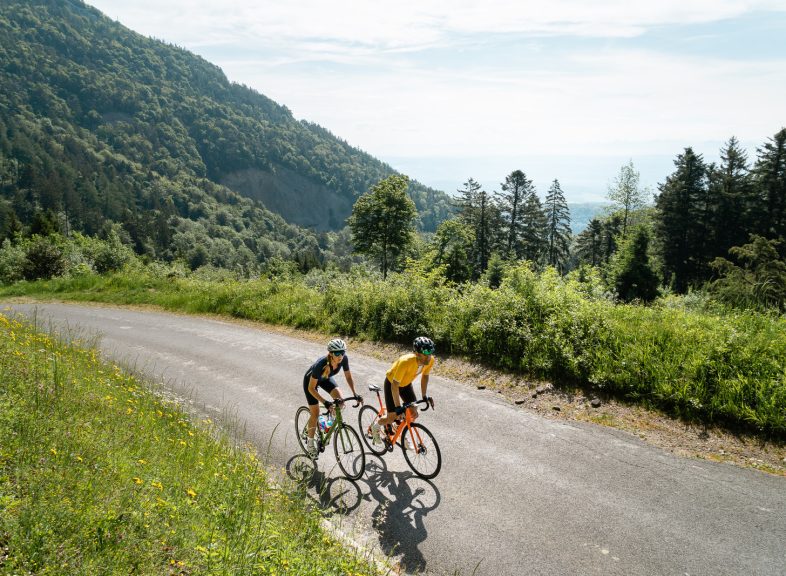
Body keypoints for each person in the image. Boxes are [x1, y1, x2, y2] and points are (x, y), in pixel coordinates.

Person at [371, 336, 435, 444]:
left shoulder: (430, 360)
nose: (429, 356)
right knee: (392, 417)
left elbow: (425, 376)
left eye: (431, 352)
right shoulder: (405, 362)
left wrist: (424, 395)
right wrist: (397, 407)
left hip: (405, 385)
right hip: (392, 384)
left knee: (414, 413)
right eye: (426, 353)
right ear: (417, 353)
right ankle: (376, 426)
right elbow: (395, 386)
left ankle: (398, 428)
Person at [302, 338, 360, 455]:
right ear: (330, 353)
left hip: (325, 379)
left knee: (341, 402)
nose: (341, 356)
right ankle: (310, 442)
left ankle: (327, 423)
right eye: (337, 353)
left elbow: (348, 377)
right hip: (311, 384)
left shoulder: (344, 359)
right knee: (315, 413)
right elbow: (311, 388)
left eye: (342, 352)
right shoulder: (320, 365)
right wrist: (325, 402)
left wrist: (355, 393)